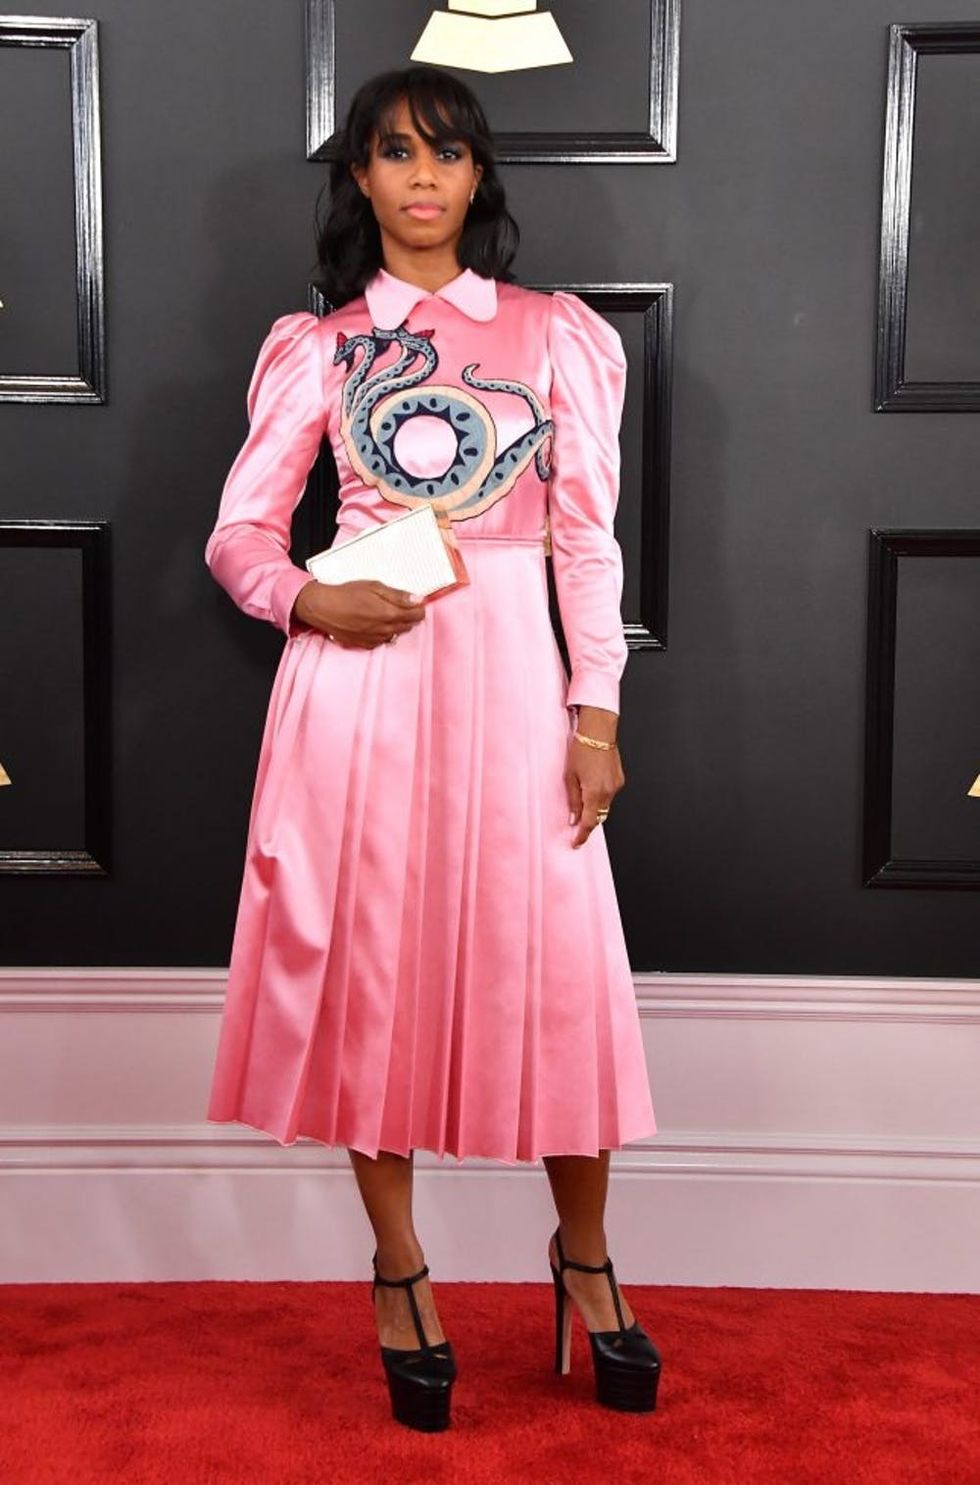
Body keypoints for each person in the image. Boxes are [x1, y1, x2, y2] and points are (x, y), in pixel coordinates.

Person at [203, 63, 661, 1431]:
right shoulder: (318, 347)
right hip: (359, 687)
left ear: (477, 178)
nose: (420, 176)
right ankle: (399, 1268)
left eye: (447, 154)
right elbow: (238, 532)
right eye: (394, 151)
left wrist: (596, 713)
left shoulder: (554, 335)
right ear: (361, 176)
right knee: (368, 972)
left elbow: (586, 540)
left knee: (559, 968)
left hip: (516, 682)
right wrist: (305, 595)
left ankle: (583, 1257)